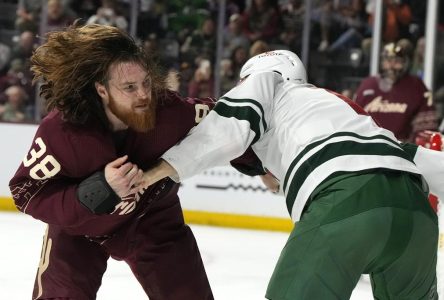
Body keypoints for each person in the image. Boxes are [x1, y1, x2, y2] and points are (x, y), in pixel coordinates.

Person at [140, 50, 439, 299]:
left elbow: (226, 129)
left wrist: (154, 173)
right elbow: (411, 157)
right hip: (416, 216)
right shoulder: (343, 108)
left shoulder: (266, 82)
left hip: (347, 201)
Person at [8, 23, 223, 300]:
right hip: (80, 232)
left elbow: (229, 123)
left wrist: (258, 164)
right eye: (129, 87)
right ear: (102, 90)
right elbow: (26, 192)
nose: (144, 94)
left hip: (152, 219)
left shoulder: (169, 111)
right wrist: (96, 190)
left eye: (146, 82)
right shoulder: (63, 131)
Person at [355, 40, 438, 142]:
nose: (392, 66)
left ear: (405, 63)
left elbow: (426, 128)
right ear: (382, 63)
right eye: (388, 61)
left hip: (402, 150)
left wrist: (411, 149)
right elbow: (356, 119)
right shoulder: (367, 85)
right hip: (369, 147)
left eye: (397, 62)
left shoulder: (416, 86)